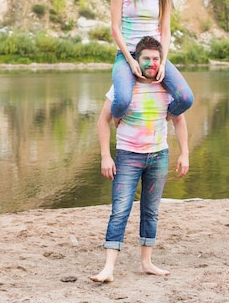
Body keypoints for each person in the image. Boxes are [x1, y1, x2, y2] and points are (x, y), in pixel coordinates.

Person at [91, 36, 190, 283]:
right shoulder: (122, 86)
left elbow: (179, 120)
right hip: (128, 157)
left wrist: (185, 152)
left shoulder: (167, 87)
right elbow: (103, 120)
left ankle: (147, 263)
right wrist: (105, 156)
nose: (152, 63)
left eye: (156, 58)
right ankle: (108, 269)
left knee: (151, 211)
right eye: (146, 58)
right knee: (120, 211)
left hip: (159, 156)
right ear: (137, 59)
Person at [110, 0, 194, 121]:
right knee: (122, 100)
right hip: (127, 55)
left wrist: (162, 62)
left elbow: (165, 30)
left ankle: (163, 118)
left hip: (154, 56)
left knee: (186, 98)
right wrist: (131, 61)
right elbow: (115, 28)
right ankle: (116, 118)